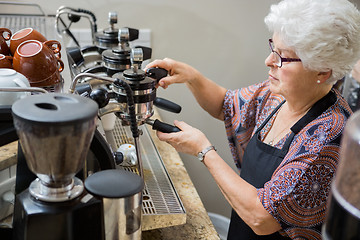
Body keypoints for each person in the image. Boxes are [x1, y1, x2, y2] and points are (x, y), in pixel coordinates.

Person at [146, 0, 360, 239]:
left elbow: (262, 218)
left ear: (322, 71)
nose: (268, 61)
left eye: (282, 57)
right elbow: (226, 105)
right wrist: (190, 76)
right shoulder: (277, 95)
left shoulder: (327, 136)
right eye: (273, 48)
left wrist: (204, 151)